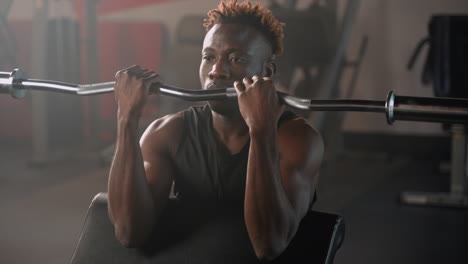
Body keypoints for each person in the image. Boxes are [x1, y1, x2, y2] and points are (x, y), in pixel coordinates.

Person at [107, 0, 324, 262]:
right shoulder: (168, 133)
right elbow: (130, 233)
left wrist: (261, 129)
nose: (216, 71)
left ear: (267, 72)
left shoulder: (297, 139)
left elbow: (269, 245)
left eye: (237, 59)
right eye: (209, 57)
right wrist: (127, 119)